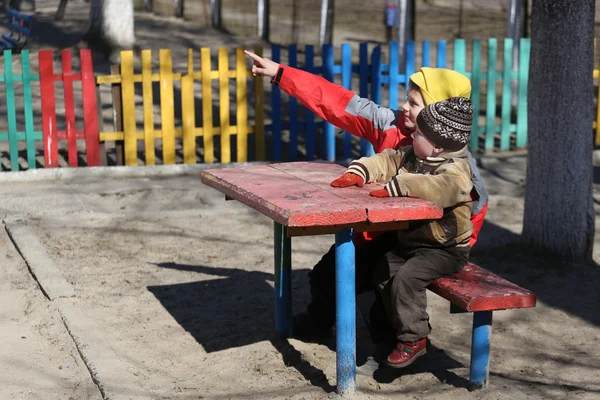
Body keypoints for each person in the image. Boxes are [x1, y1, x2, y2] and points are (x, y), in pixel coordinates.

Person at [243, 50, 488, 344]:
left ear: (437, 114)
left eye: (413, 102)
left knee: (385, 285)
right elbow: (338, 101)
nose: (403, 106)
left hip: (421, 244)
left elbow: (475, 211)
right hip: (377, 233)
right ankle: (320, 321)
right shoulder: (388, 124)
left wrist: (440, 252)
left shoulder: (457, 166)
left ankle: (392, 348)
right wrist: (282, 74)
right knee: (326, 274)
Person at [331, 96, 474, 367]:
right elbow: (388, 160)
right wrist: (360, 172)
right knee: (382, 272)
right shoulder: (413, 155)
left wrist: (399, 186)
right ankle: (393, 334)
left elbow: (441, 187)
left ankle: (414, 338)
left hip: (445, 249)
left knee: (407, 278)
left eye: (419, 133)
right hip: (412, 244)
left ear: (438, 146)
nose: (412, 134)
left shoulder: (455, 171)